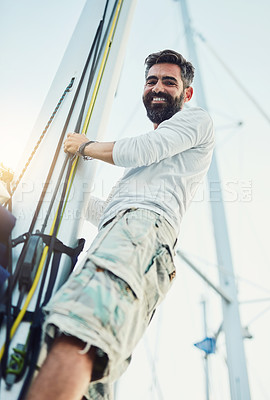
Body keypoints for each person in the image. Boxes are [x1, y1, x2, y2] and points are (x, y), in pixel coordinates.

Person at [26, 49, 214, 400]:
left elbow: (140, 150)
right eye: (151, 80)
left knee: (80, 333)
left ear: (186, 94)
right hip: (129, 233)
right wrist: (49, 193)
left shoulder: (194, 121)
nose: (157, 87)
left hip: (141, 231)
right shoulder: (152, 166)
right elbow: (110, 209)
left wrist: (86, 147)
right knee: (93, 374)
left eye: (169, 82)